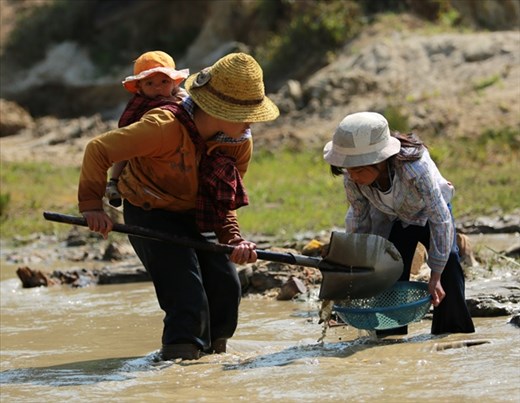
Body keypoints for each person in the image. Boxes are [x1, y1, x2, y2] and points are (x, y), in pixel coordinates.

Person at [78, 53, 280, 360]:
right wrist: (92, 206)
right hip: (150, 210)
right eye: (245, 114)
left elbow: (222, 197)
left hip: (199, 214)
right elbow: (99, 149)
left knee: (226, 289)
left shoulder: (239, 141)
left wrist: (232, 237)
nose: (251, 122)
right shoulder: (163, 128)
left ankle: (214, 357)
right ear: (217, 110)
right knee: (185, 295)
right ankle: (179, 363)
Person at [323, 111, 475, 336]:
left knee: (449, 266)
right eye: (349, 170)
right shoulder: (353, 178)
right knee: (389, 271)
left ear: (380, 161)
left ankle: (452, 334)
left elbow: (440, 218)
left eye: (359, 170)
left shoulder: (416, 169)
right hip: (392, 217)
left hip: (428, 212)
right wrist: (355, 266)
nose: (353, 177)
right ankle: (390, 336)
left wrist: (435, 276)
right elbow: (358, 218)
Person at [105, 50, 190, 207]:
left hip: (175, 154)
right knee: (125, 150)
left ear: (174, 82)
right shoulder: (139, 105)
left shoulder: (182, 99)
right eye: (149, 83)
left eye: (164, 82)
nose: (157, 88)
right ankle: (113, 181)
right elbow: (127, 127)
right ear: (140, 87)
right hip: (142, 148)